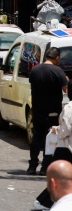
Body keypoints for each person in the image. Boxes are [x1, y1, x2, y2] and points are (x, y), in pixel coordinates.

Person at [28, 47, 69, 175]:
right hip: (53, 112)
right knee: (50, 137)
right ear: (56, 58)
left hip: (37, 110)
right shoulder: (58, 71)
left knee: (37, 137)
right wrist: (66, 81)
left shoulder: (34, 70)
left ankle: (32, 166)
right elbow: (65, 90)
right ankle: (45, 167)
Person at [35, 102, 72, 209]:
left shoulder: (69, 107)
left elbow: (64, 131)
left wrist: (56, 129)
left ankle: (44, 202)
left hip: (66, 148)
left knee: (59, 175)